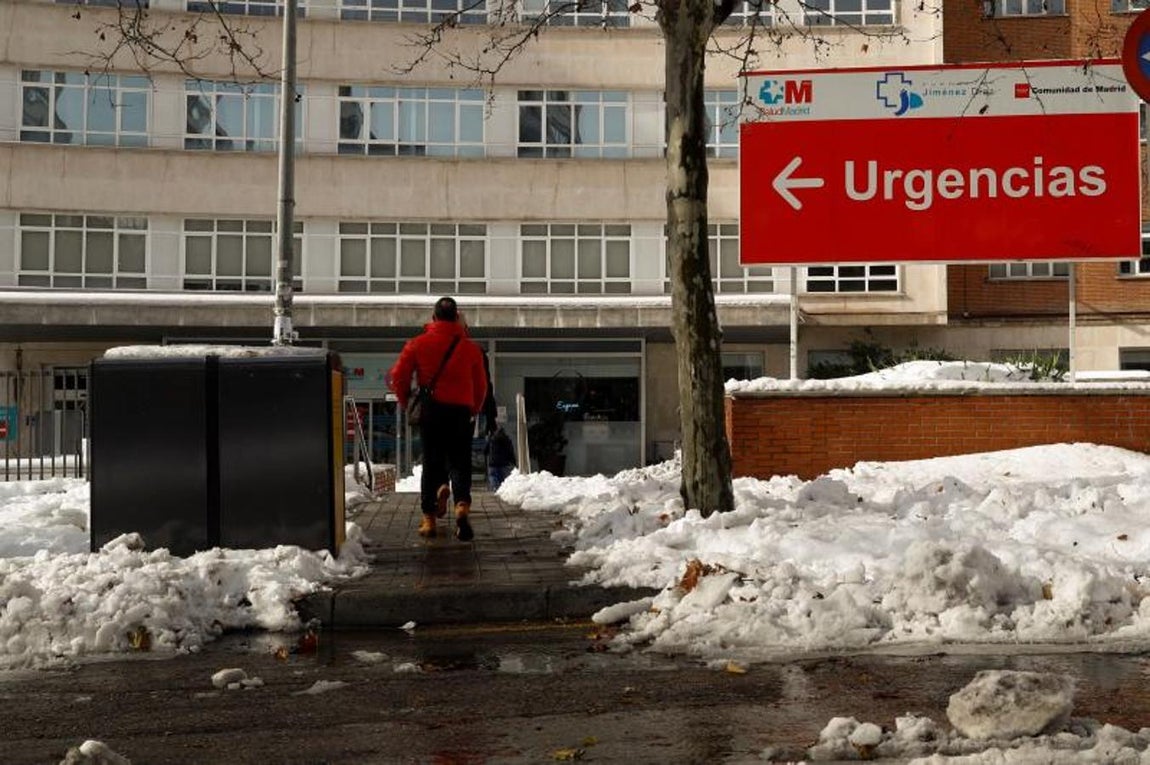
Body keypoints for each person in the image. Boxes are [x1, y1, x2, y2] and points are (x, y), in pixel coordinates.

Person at [388, 297, 488, 541]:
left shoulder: (417, 344)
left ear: (433, 318)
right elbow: (481, 385)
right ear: (456, 318)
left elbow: (398, 377)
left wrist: (406, 402)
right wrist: (473, 409)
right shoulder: (471, 349)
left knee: (432, 462)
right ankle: (462, 506)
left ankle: (429, 519)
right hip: (461, 412)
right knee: (460, 461)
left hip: (431, 411)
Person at [485, 423, 516, 491]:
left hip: (492, 462)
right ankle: (502, 490)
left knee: (492, 476)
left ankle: (495, 488)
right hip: (504, 463)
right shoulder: (507, 439)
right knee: (503, 479)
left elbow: (486, 450)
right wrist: (513, 461)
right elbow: (510, 451)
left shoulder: (491, 439)